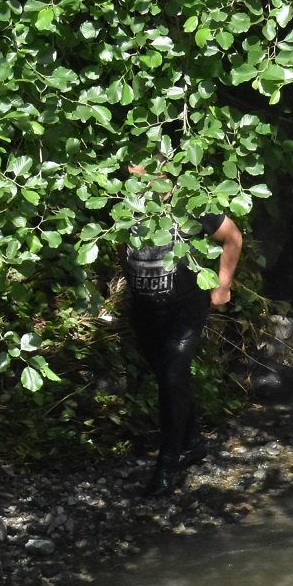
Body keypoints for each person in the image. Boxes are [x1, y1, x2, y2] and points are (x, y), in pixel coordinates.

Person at [124, 209, 242, 497]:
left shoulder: (189, 204)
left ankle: (167, 465)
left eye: (141, 165)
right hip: (145, 310)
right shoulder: (123, 201)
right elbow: (121, 244)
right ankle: (192, 442)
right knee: (168, 377)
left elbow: (233, 237)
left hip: (185, 309)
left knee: (172, 376)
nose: (132, 168)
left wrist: (223, 285)